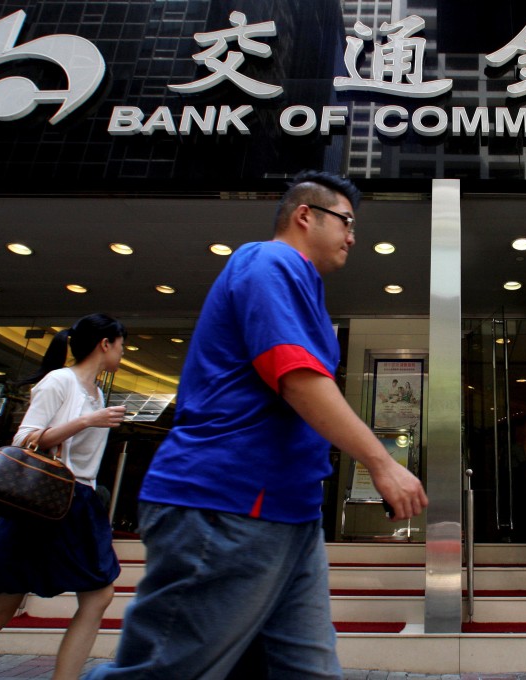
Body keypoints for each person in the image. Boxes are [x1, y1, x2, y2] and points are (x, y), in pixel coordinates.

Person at [86, 171, 428, 680]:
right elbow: (297, 378)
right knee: (166, 672)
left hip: (290, 513)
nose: (353, 236)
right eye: (346, 221)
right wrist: (381, 461)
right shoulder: (270, 262)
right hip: (226, 502)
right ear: (305, 215)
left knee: (304, 670)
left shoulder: (301, 284)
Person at [0, 314, 128, 680]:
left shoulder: (95, 392)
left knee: (99, 596)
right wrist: (86, 422)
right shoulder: (60, 381)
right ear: (105, 344)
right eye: (121, 345)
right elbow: (23, 439)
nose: (123, 353)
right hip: (43, 502)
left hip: (79, 502)